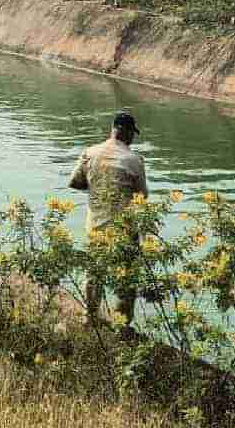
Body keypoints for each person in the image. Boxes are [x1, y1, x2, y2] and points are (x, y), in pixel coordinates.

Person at [68, 110, 149, 326]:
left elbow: (75, 182)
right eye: (133, 134)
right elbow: (142, 196)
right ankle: (121, 326)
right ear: (127, 132)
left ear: (112, 130)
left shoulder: (90, 153)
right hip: (124, 229)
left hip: (95, 226)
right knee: (126, 278)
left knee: (94, 272)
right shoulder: (134, 160)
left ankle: (90, 317)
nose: (133, 138)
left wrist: (96, 185)